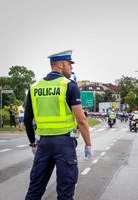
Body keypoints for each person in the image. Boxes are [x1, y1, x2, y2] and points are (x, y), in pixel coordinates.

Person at [24, 50, 92, 200]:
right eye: (69, 65)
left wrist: (32, 144)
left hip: (43, 143)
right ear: (61, 65)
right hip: (64, 144)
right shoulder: (69, 86)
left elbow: (27, 119)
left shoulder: (34, 87)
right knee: (65, 193)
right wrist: (88, 145)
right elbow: (81, 120)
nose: (71, 68)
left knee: (34, 190)